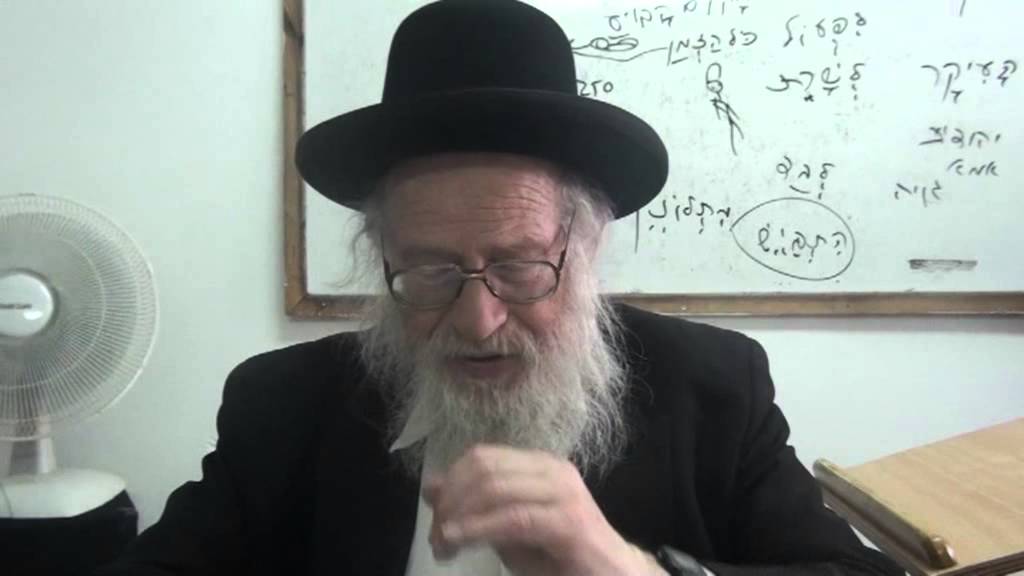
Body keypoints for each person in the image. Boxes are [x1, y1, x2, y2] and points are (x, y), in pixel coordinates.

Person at [98, 1, 904, 575]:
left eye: (519, 267)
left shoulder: (714, 386)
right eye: (431, 271)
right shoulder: (283, 402)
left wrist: (625, 568)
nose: (478, 320)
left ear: (586, 247)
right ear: (381, 255)